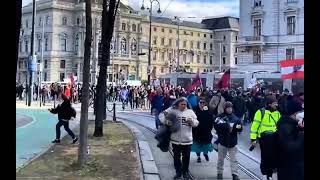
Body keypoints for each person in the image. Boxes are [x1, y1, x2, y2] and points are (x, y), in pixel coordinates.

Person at [159, 97, 199, 180]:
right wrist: (167, 122)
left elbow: (196, 122)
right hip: (175, 140)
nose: (184, 106)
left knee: (186, 157)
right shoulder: (172, 110)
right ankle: (178, 172)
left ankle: (185, 172)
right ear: (178, 104)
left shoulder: (190, 112)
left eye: (185, 104)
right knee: (176, 157)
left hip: (187, 140)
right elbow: (161, 115)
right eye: (182, 104)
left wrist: (192, 122)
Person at [250, 96, 281, 180]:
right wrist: (253, 139)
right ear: (269, 104)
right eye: (275, 103)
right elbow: (254, 126)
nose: (276, 105)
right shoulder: (260, 112)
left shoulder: (277, 113)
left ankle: (269, 174)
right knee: (265, 156)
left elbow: (280, 126)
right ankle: (265, 172)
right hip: (264, 139)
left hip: (274, 138)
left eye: (277, 103)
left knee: (273, 156)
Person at [275, 99, 304, 180]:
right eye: (301, 111)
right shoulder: (285, 127)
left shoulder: (294, 125)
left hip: (296, 169)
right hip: (289, 171)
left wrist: (300, 129)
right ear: (294, 113)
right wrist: (302, 135)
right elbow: (290, 148)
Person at [214, 102, 242, 180]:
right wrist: (227, 126)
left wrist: (237, 128)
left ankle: (235, 174)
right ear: (225, 108)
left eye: (230, 108)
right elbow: (216, 126)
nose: (229, 109)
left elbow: (240, 128)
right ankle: (219, 173)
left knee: (234, 160)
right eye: (228, 108)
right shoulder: (219, 117)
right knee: (220, 159)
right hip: (222, 141)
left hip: (233, 142)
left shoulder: (235, 118)